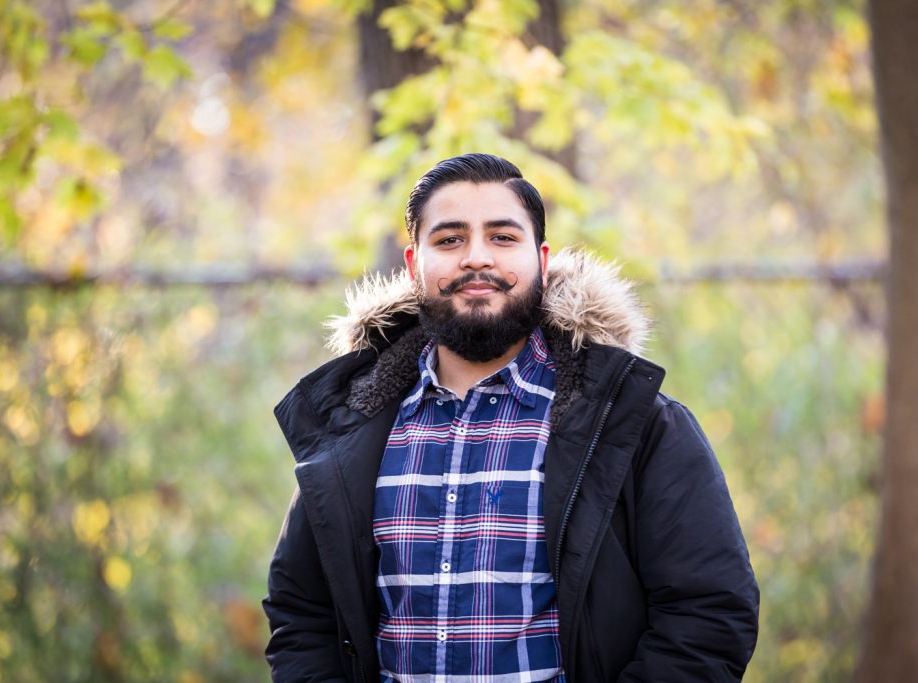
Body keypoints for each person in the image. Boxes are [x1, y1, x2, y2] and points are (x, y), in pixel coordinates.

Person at [263, 153, 759, 682]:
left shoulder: (631, 424)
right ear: (413, 265)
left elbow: (709, 614)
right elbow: (302, 616)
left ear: (540, 259)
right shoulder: (351, 426)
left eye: (502, 237)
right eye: (450, 240)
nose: (477, 258)